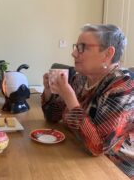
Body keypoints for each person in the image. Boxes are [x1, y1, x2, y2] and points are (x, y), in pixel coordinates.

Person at [41, 24, 134, 179]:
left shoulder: (124, 86)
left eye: (82, 48)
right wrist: (49, 91)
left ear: (107, 54)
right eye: (76, 47)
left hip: (114, 169)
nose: (73, 53)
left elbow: (98, 147)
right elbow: (52, 117)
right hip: (77, 151)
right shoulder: (81, 78)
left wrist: (70, 98)